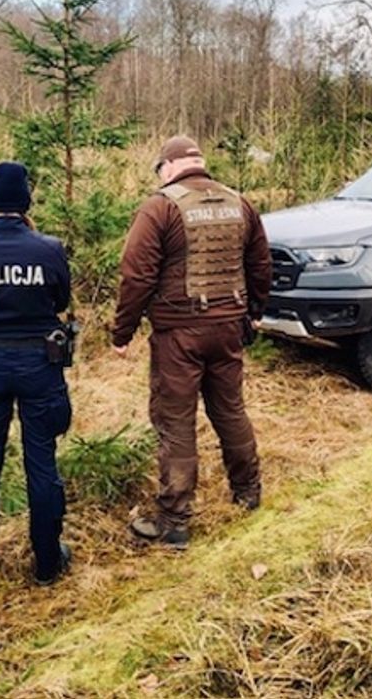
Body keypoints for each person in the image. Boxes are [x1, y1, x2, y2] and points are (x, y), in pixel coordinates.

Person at [112, 135, 272, 547]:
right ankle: (248, 493)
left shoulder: (160, 207)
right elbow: (260, 263)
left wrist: (122, 332)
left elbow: (136, 276)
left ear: (168, 166)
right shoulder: (239, 203)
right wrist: (254, 311)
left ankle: (174, 520)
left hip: (178, 336)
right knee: (230, 410)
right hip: (228, 328)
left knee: (176, 421)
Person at [0, 162, 73, 589]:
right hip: (40, 366)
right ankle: (47, 566)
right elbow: (61, 300)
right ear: (26, 200)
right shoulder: (49, 249)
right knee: (41, 464)